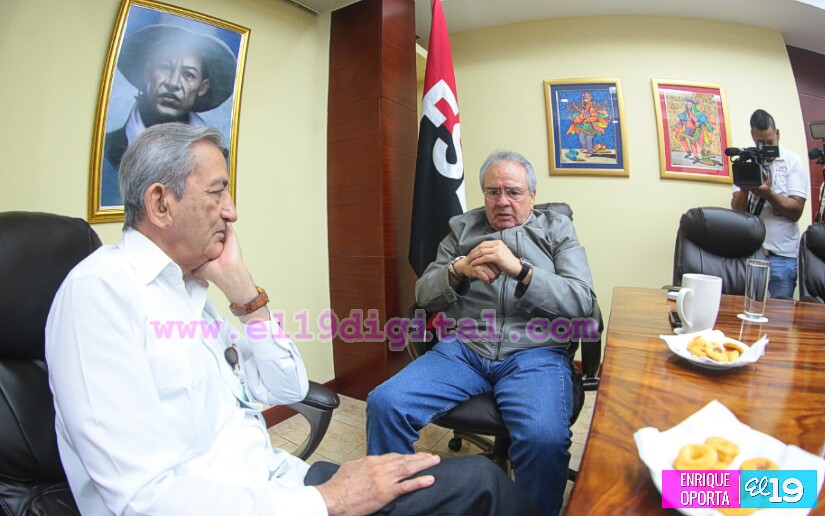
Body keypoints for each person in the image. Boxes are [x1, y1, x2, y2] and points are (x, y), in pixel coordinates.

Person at [46, 124, 536, 515]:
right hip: (269, 503)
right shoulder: (101, 294)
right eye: (217, 192)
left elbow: (287, 386)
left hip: (279, 486)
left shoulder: (189, 291)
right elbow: (142, 501)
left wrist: (245, 294)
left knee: (477, 484)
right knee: (480, 484)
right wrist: (327, 501)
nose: (231, 212)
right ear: (160, 203)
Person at [366, 150, 596, 515]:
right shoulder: (462, 229)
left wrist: (522, 271)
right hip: (464, 348)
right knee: (386, 403)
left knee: (543, 439)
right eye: (493, 192)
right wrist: (457, 271)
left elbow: (582, 301)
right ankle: (391, 505)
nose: (502, 201)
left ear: (532, 195)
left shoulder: (556, 229)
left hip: (535, 351)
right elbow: (423, 295)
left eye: (513, 192)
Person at [101, 24, 237, 207]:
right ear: (147, 73)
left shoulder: (219, 158)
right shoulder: (109, 150)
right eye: (165, 67)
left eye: (188, 74)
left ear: (202, 87)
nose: (173, 83)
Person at [731, 109, 808, 297]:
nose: (766, 147)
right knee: (749, 306)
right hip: (751, 252)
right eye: (761, 142)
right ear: (752, 136)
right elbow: (737, 211)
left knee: (779, 312)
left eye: (770, 142)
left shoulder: (793, 162)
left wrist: (769, 194)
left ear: (778, 134)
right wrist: (744, 189)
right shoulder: (747, 161)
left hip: (782, 256)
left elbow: (796, 211)